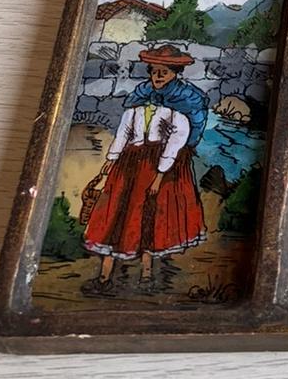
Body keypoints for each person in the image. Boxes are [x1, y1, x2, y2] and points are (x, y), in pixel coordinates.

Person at [80, 43, 208, 296]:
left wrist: (162, 172)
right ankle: (107, 274)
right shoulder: (140, 97)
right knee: (119, 211)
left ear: (175, 73)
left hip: (164, 163)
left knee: (153, 214)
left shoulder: (185, 102)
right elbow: (124, 133)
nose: (157, 77)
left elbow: (182, 137)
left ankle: (147, 273)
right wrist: (111, 160)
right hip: (131, 166)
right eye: (154, 71)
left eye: (164, 72)